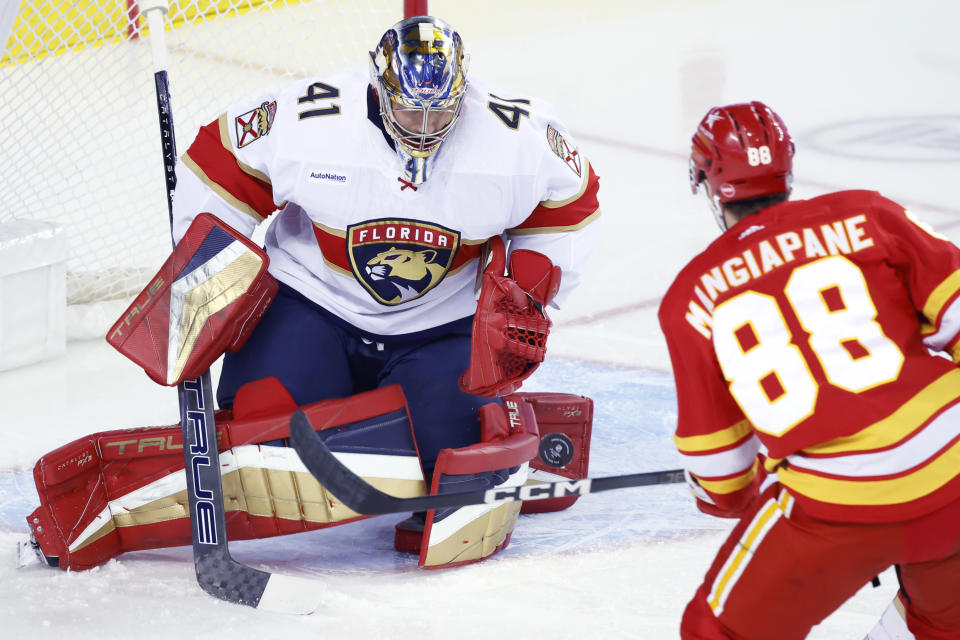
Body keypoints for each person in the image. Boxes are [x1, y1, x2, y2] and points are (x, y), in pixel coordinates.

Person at [24, 15, 600, 571]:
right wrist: (203, 270)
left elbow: (574, 197)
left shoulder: (518, 138)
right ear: (380, 87)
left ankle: (494, 420)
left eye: (439, 111)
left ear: (463, 94)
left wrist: (528, 290)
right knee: (264, 435)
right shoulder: (312, 118)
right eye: (408, 108)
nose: (424, 126)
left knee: (451, 452)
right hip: (313, 306)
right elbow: (220, 159)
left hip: (437, 329)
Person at [658, 101, 960, 639]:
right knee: (945, 622)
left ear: (707, 183)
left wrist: (715, 490)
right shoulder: (868, 214)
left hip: (838, 508)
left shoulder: (691, 296)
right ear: (787, 167)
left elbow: (723, 471)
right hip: (955, 473)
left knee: (716, 632)